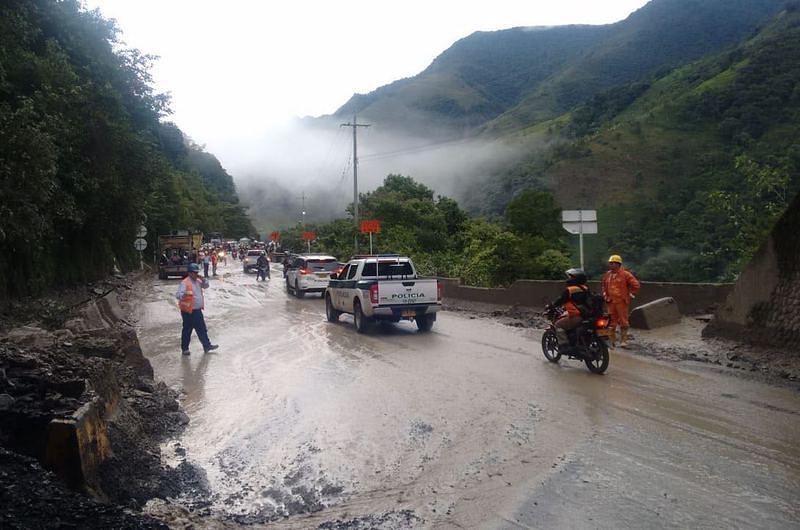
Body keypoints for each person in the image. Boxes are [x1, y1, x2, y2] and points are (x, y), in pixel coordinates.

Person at [176, 263, 218, 355]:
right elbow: (178, 295)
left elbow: (206, 286)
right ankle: (185, 349)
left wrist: (204, 279)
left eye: (196, 272)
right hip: (188, 312)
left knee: (202, 329)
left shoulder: (198, 281)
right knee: (187, 330)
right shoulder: (185, 282)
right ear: (190, 273)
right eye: (194, 272)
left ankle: (207, 346)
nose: (196, 274)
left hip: (197, 311)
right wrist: (183, 295)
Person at [602, 254, 640, 348]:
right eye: (610, 263)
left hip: (621, 302)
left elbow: (636, 285)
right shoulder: (607, 275)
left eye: (613, 263)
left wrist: (630, 294)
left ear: (618, 264)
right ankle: (612, 340)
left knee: (623, 321)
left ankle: (623, 341)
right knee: (611, 321)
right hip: (611, 302)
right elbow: (603, 286)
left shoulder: (625, 274)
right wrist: (605, 294)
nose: (610, 265)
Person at [549, 268, 591, 352]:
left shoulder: (570, 290)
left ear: (575, 279)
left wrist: (551, 306)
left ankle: (564, 345)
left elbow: (560, 301)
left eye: (570, 277)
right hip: (587, 315)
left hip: (577, 316)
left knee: (558, 325)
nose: (568, 279)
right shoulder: (585, 288)